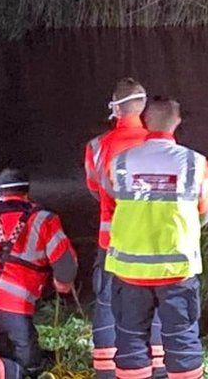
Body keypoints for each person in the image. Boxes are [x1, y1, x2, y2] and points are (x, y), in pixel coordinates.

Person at [105, 98, 208, 379]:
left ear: (144, 121)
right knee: (182, 340)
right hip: (176, 270)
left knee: (130, 341)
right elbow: (207, 211)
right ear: (176, 121)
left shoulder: (119, 163)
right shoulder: (194, 162)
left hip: (129, 271)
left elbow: (111, 205)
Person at [85, 78, 165, 378]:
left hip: (112, 241)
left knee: (107, 303)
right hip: (153, 241)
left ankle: (107, 369)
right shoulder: (159, 145)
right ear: (143, 107)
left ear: (115, 109)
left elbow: (95, 188)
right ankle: (157, 367)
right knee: (155, 303)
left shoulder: (96, 147)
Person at [0, 169, 77, 377]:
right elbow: (64, 261)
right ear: (26, 192)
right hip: (12, 302)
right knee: (29, 363)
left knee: (1, 331)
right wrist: (63, 281)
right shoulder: (44, 220)